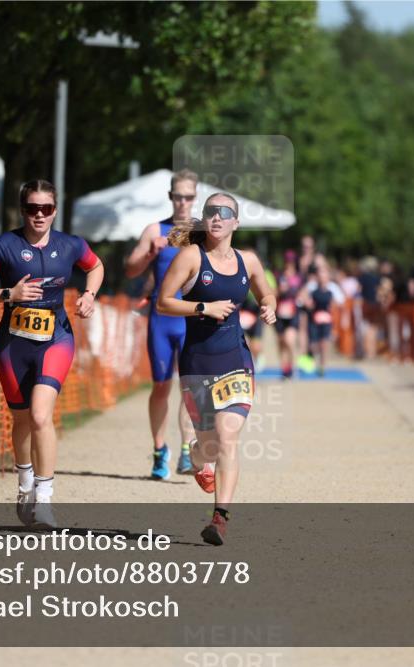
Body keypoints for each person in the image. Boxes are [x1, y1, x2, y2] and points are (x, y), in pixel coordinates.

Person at [0, 179, 104, 528]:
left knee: (41, 415)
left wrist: (89, 295)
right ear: (22, 209)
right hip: (14, 344)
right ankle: (25, 483)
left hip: (56, 337)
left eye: (46, 208)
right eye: (32, 208)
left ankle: (44, 499)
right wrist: (8, 294)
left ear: (55, 210)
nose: (39, 215)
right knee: (22, 418)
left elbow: (96, 266)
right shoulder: (3, 246)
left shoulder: (70, 245)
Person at [157, 193, 277, 546]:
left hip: (235, 361)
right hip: (197, 364)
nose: (217, 217)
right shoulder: (191, 257)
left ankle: (219, 519)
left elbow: (267, 294)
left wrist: (269, 307)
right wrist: (202, 308)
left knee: (228, 438)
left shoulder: (249, 261)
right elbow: (164, 303)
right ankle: (195, 453)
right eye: (211, 212)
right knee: (208, 448)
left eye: (225, 213)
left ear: (236, 222)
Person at [124, 169, 198, 479]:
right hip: (162, 320)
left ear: (196, 198)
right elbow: (130, 269)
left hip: (193, 318)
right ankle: (159, 451)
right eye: (178, 196)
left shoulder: (206, 231)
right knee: (161, 386)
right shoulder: (155, 229)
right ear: (170, 197)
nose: (183, 202)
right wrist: (150, 252)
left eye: (188, 196)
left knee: (191, 387)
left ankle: (186, 449)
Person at [300, 263, 345, 376]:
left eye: (324, 274)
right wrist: (307, 303)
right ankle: (312, 359)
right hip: (313, 320)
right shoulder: (311, 286)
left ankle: (322, 366)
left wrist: (333, 306)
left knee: (324, 344)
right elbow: (301, 298)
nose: (322, 277)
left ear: (328, 276)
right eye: (320, 274)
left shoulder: (332, 288)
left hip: (327, 320)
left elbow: (341, 302)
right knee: (314, 345)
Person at [275, 250, 303, 378]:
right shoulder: (279, 275)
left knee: (289, 340)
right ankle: (285, 368)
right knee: (281, 342)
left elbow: (303, 293)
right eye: (287, 260)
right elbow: (273, 293)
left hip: (293, 313)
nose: (289, 263)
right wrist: (279, 292)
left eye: (291, 261)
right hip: (280, 313)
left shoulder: (299, 277)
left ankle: (292, 366)